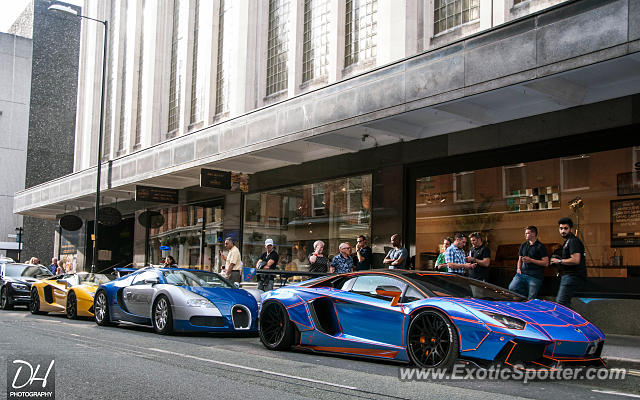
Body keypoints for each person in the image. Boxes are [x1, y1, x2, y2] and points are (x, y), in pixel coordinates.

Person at [550, 217, 587, 309]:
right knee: (563, 303)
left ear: (571, 229)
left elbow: (575, 260)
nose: (563, 231)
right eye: (561, 228)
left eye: (565, 228)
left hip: (572, 276)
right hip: (568, 276)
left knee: (561, 303)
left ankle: (569, 322)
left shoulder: (573, 241)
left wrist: (559, 261)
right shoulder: (568, 241)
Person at [508, 226, 549, 299]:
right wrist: (518, 268)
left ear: (533, 234)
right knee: (512, 288)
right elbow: (519, 259)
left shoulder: (540, 246)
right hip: (522, 274)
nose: (525, 235)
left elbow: (546, 263)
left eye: (527, 233)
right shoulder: (523, 245)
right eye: (525, 233)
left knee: (531, 298)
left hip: (535, 276)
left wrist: (531, 260)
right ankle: (521, 301)